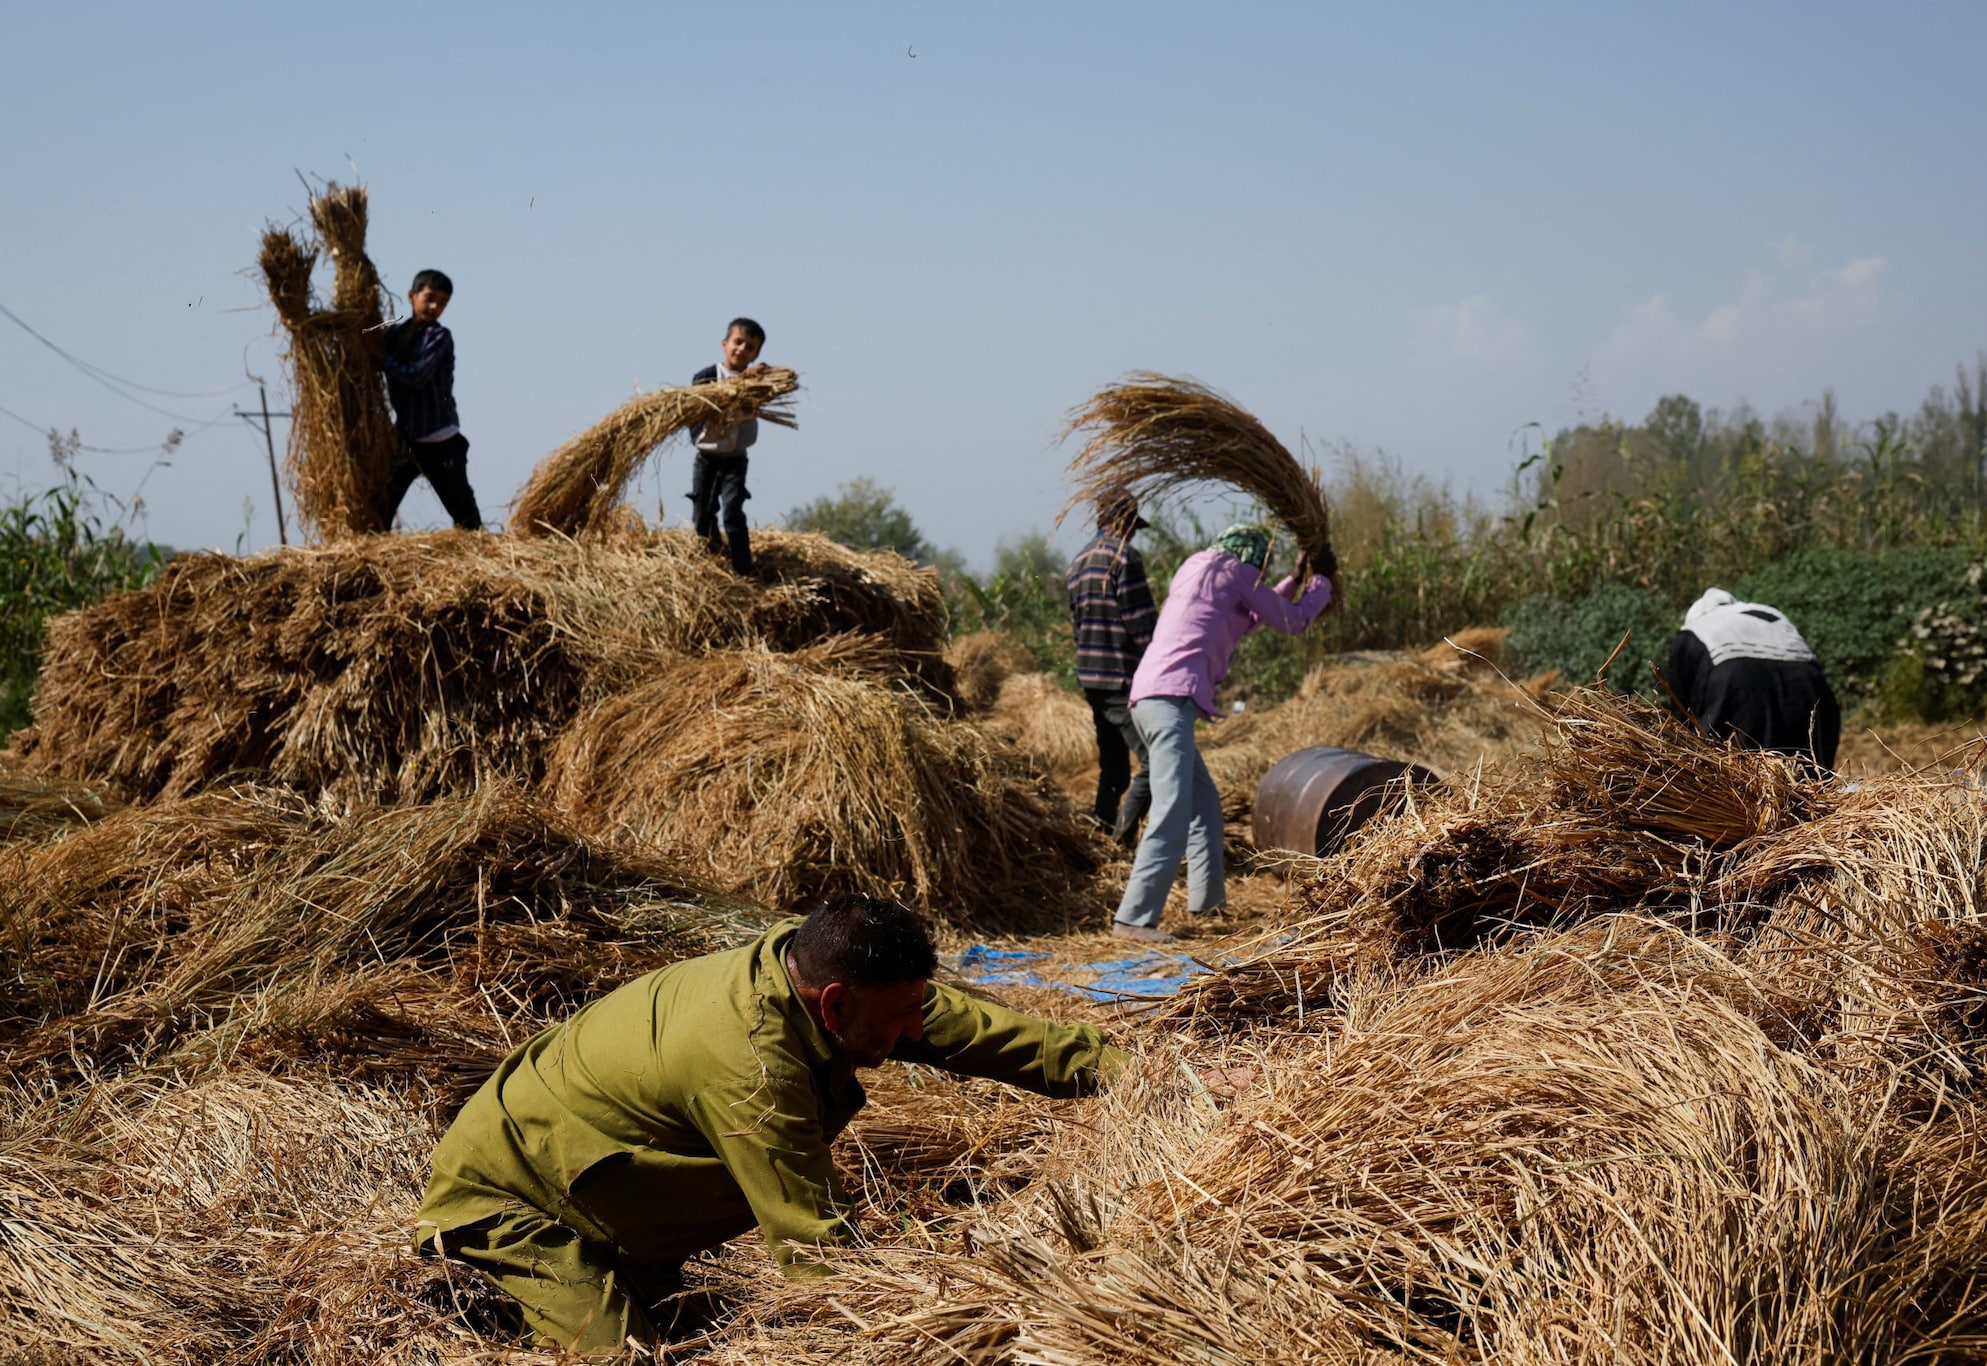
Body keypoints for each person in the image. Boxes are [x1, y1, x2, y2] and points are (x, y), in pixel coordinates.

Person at [415, 893, 1128, 1357]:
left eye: (918, 1006)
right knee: (622, 1356)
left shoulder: (831, 975)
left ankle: (632, 1267)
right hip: (515, 1202)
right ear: (836, 1006)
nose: (916, 1028)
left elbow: (984, 1033)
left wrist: (1141, 1072)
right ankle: (483, 1294)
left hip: (602, 1169)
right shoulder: (752, 1068)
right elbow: (816, 1246)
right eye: (900, 1017)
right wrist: (939, 1317)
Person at [1113, 525, 1335, 943]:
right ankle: (1134, 919)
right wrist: (1320, 580)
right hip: (1169, 702)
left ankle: (1208, 903)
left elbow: (1247, 614)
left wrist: (1292, 579)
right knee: (1173, 808)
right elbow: (1293, 621)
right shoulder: (1234, 573)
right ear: (1249, 558)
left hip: (1151, 698)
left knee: (1205, 806)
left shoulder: (1197, 567)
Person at [1066, 488, 1159, 845]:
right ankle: (1120, 841)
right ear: (1123, 522)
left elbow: (1078, 629)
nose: (1134, 533)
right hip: (1122, 680)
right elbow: (1143, 628)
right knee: (1156, 765)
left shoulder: (1078, 562)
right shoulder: (1124, 559)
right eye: (1133, 525)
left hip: (1092, 679)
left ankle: (1098, 834)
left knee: (1115, 768)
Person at [1666, 587, 1841, 774]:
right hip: (1807, 686)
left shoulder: (1692, 631)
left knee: (1733, 778)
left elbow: (1681, 715)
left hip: (1736, 682)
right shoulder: (1770, 613)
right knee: (1808, 774)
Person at [374, 268, 484, 531]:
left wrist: (378, 358)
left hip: (440, 440)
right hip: (406, 440)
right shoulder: (395, 335)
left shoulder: (439, 337)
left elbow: (414, 376)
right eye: (430, 298)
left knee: (465, 517)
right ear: (412, 296)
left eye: (442, 303)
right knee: (378, 510)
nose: (435, 307)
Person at [688, 317, 769, 574]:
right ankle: (712, 557)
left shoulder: (758, 382)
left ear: (756, 354)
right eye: (738, 342)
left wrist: (760, 372)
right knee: (702, 514)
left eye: (750, 347)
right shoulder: (706, 378)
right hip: (707, 458)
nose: (742, 349)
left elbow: (775, 376)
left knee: (732, 512)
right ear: (725, 344)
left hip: (735, 458)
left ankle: (744, 570)